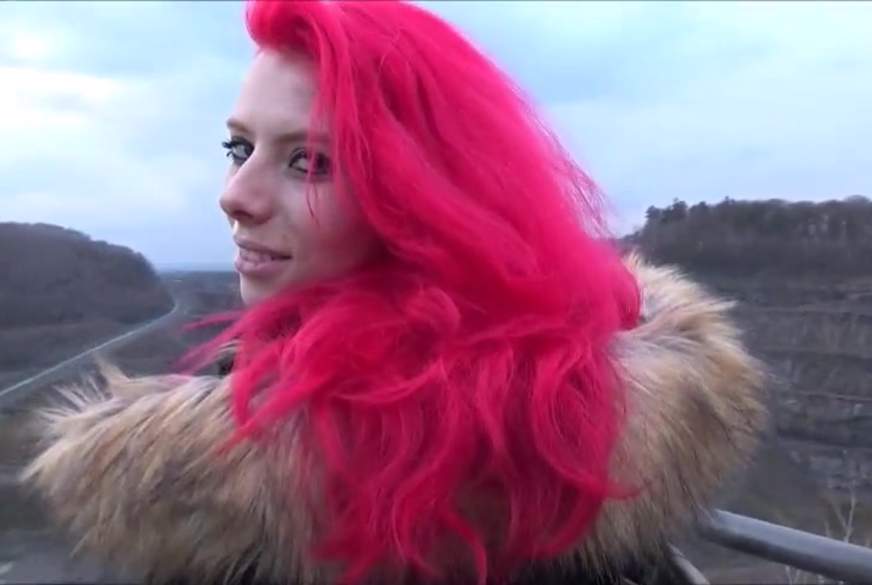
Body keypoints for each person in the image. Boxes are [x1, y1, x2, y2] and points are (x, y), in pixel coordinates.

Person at [21, 1, 767, 584]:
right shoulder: (582, 429)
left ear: (420, 203)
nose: (235, 195)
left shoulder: (238, 498)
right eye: (238, 147)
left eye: (310, 162)